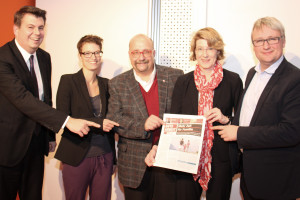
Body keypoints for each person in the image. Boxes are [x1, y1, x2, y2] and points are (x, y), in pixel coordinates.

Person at [0, 6, 100, 200]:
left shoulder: (44, 57)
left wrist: (49, 136)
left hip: (36, 146)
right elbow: (23, 99)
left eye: (41, 27)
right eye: (31, 27)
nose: (37, 33)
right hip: (8, 148)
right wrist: (66, 121)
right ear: (16, 29)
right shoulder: (3, 58)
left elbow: (45, 98)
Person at [145, 27, 243, 200]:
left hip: (220, 159)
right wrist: (157, 147)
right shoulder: (183, 81)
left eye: (210, 48)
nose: (205, 54)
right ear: (194, 52)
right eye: (200, 49)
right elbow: (173, 121)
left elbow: (243, 120)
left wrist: (225, 119)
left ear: (217, 51)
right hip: (186, 157)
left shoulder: (233, 80)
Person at [213, 17, 300, 200]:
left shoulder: (294, 79)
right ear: (253, 46)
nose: (266, 45)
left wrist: (239, 134)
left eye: (272, 39)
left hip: (276, 181)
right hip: (250, 177)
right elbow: (251, 118)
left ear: (283, 41)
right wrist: (228, 121)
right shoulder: (252, 73)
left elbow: (291, 131)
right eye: (259, 41)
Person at [106, 34, 183, 200]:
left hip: (168, 160)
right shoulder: (117, 83)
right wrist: (142, 125)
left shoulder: (176, 77)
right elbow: (114, 118)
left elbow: (182, 116)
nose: (141, 57)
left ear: (153, 52)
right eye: (135, 52)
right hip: (134, 164)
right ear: (129, 55)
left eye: (146, 52)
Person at [54, 35, 119, 200]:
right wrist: (99, 123)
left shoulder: (107, 84)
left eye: (97, 52)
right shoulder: (68, 81)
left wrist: (114, 160)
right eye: (88, 53)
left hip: (105, 155)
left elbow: (112, 118)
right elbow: (62, 117)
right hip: (76, 154)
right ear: (80, 56)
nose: (94, 57)